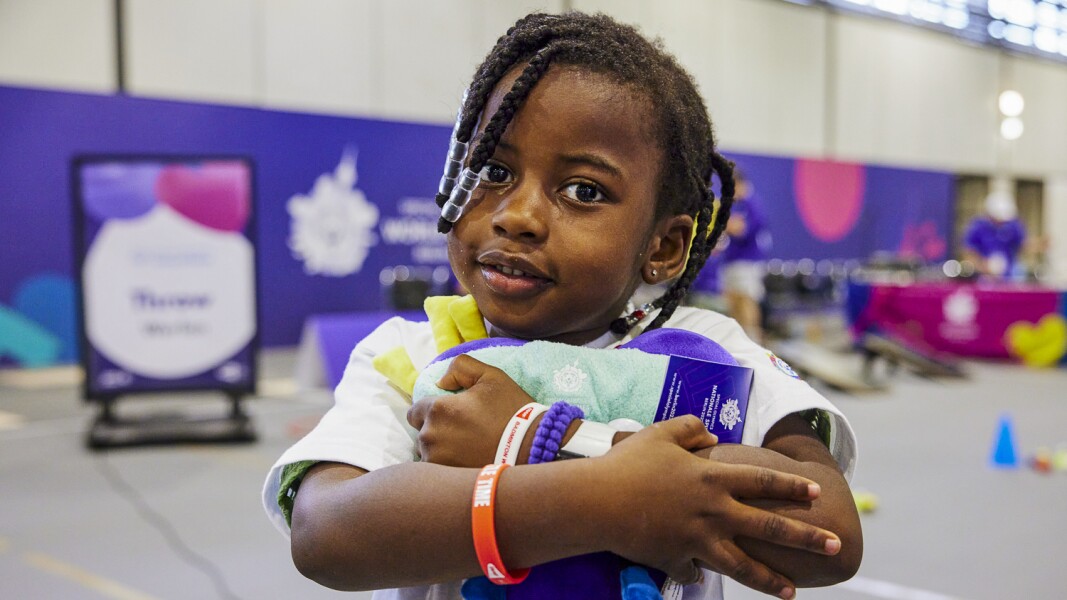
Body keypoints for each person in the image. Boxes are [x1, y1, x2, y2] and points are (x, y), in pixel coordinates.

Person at [263, 12, 861, 600]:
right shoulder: (416, 355)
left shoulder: (707, 353)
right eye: (494, 171)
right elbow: (326, 532)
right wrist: (608, 489)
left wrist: (555, 443)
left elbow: (830, 529)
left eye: (583, 190)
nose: (515, 215)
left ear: (664, 246)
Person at [717, 169, 771, 342]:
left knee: (746, 299)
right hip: (731, 261)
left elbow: (740, 229)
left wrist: (727, 225)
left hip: (747, 263)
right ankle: (738, 339)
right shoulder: (736, 204)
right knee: (733, 300)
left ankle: (753, 339)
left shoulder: (751, 204)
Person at [962, 186, 1026, 280]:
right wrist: (983, 266)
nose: (1001, 223)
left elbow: (1022, 245)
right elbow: (968, 251)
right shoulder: (977, 227)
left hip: (1008, 277)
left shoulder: (1013, 225)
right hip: (983, 278)